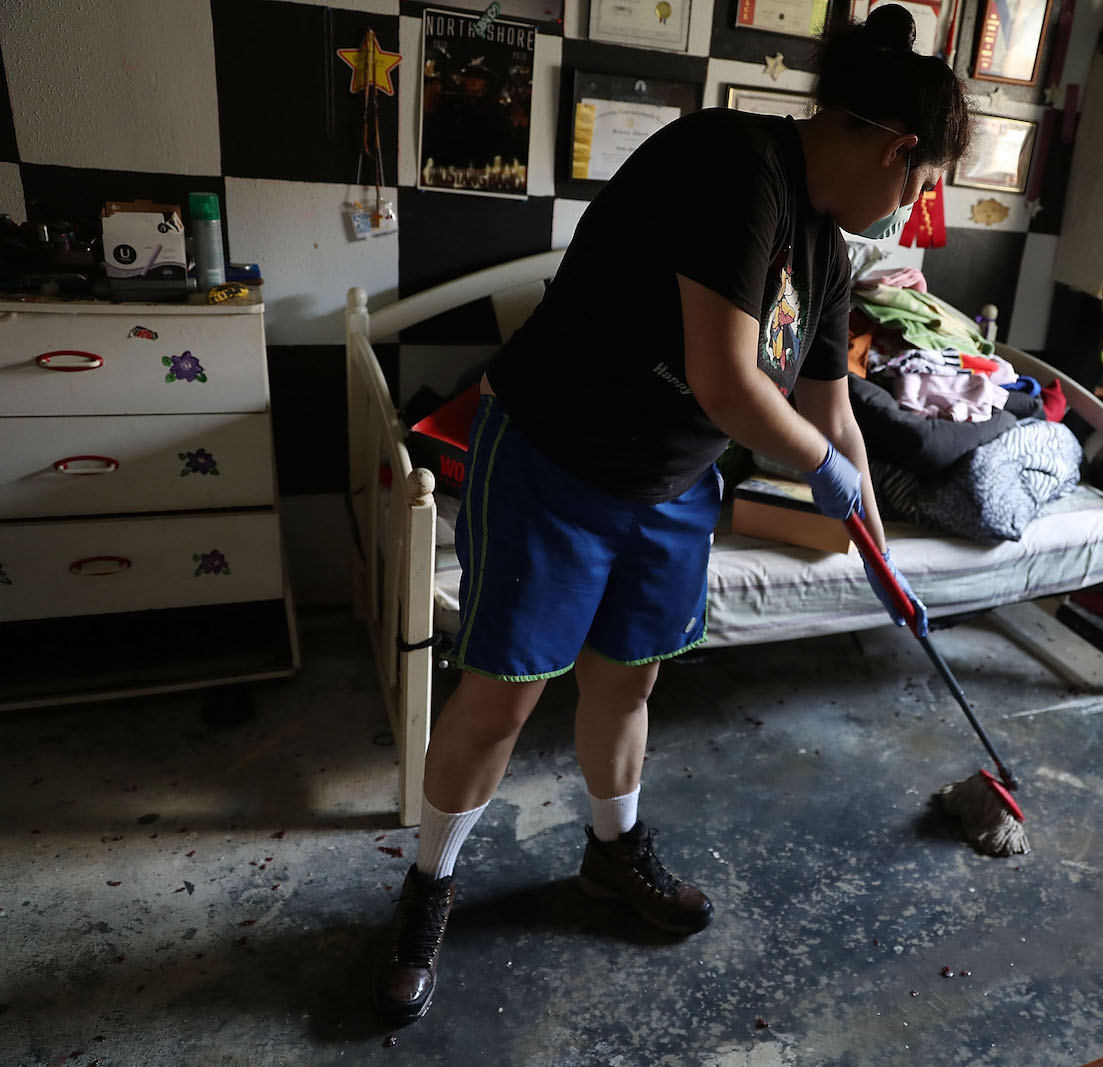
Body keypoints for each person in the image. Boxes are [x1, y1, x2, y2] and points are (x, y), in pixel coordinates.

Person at [373, 5, 972, 1025]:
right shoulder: (732, 166)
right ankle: (427, 889)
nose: (906, 209)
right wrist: (819, 465)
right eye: (916, 185)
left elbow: (829, 406)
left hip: (669, 484)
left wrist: (871, 535)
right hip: (559, 457)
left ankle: (611, 853)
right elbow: (729, 380)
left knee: (627, 680)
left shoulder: (829, 250)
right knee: (504, 696)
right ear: (897, 146)